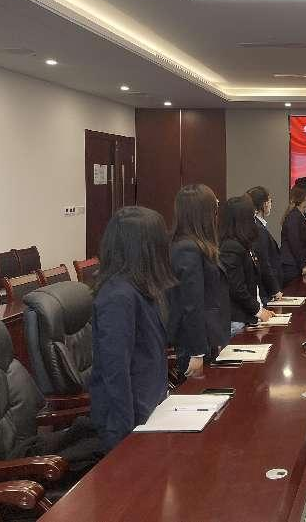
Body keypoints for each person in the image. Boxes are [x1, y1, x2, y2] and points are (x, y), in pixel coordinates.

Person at [90, 206, 176, 452]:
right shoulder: (118, 296)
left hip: (152, 408)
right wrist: (128, 438)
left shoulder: (141, 289)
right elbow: (116, 371)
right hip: (130, 425)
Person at [167, 184, 229, 379]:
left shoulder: (199, 245)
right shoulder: (187, 248)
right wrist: (197, 352)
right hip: (194, 344)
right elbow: (191, 304)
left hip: (207, 337)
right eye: (214, 206)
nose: (217, 212)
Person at [219, 196, 274, 335]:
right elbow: (237, 288)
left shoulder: (243, 243)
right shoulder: (230, 247)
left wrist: (261, 310)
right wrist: (258, 311)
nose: (254, 218)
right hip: (237, 321)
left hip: (247, 317)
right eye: (252, 215)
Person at [246, 186, 283, 306]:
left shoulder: (257, 225)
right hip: (265, 291)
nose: (271, 204)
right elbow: (263, 261)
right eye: (270, 201)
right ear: (264, 204)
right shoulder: (258, 228)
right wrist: (275, 289)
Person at [280, 185, 306, 286]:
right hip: (291, 265)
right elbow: (295, 243)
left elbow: (302, 243)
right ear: (304, 198)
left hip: (295, 262)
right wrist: (303, 264)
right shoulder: (294, 216)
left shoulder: (299, 215)